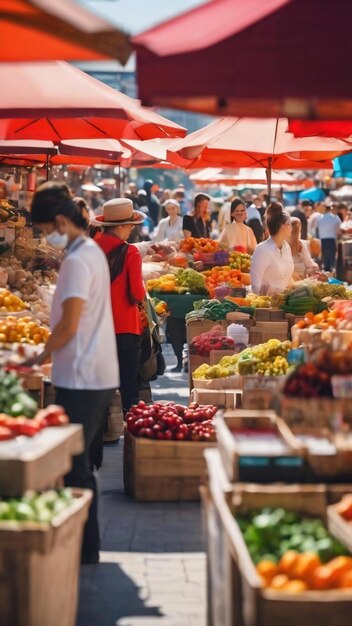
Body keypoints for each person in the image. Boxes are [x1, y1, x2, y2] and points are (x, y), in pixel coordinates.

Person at [28, 182, 118, 565]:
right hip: (89, 369)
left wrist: (39, 356)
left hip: (82, 373)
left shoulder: (80, 259)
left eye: (48, 229)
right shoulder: (89, 251)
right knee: (78, 462)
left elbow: (70, 324)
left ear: (62, 220)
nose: (48, 237)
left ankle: (84, 549)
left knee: (76, 465)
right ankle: (85, 547)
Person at [94, 198, 146, 415]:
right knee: (128, 385)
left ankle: (105, 429)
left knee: (100, 384)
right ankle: (130, 429)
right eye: (131, 226)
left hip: (96, 327)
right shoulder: (130, 252)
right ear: (122, 226)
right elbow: (136, 293)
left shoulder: (91, 248)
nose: (132, 231)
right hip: (125, 326)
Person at [250, 202, 294, 295]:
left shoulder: (287, 248)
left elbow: (288, 279)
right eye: (289, 224)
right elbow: (255, 287)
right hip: (268, 305)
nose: (291, 227)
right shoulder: (262, 250)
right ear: (282, 226)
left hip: (286, 303)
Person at [317, 204, 341, 272]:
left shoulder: (320, 218)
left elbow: (317, 228)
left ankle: (326, 270)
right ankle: (332, 270)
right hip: (332, 238)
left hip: (323, 239)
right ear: (330, 209)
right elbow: (340, 227)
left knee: (325, 255)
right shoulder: (335, 217)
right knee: (332, 256)